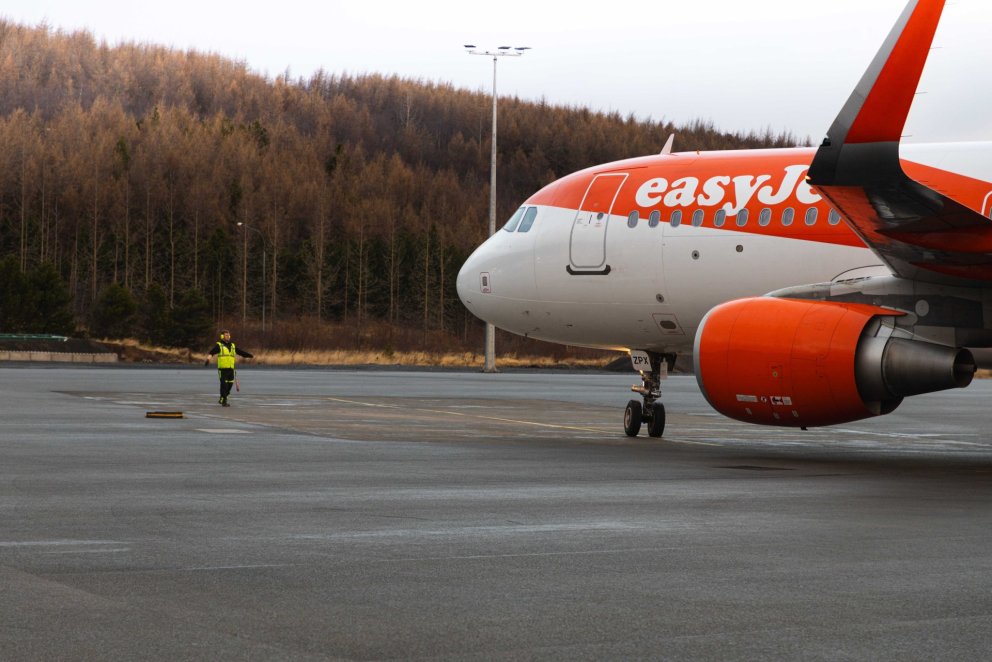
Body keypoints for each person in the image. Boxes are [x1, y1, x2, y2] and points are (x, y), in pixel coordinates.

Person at [204, 330, 254, 406]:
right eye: (226, 335)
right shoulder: (219, 345)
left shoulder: (232, 346)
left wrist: (249, 355)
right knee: (224, 385)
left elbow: (240, 352)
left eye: (229, 335)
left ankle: (223, 398)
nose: (228, 336)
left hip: (231, 369)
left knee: (229, 386)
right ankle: (224, 401)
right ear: (222, 336)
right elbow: (212, 352)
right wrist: (208, 359)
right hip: (223, 369)